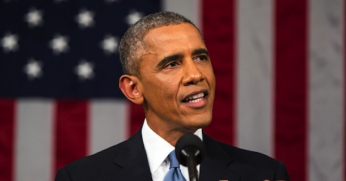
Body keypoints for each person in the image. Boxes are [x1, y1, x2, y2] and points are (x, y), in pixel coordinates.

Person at [55, 11, 290, 181]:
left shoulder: (265, 174)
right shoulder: (81, 177)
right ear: (133, 89)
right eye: (172, 64)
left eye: (200, 58)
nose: (195, 74)